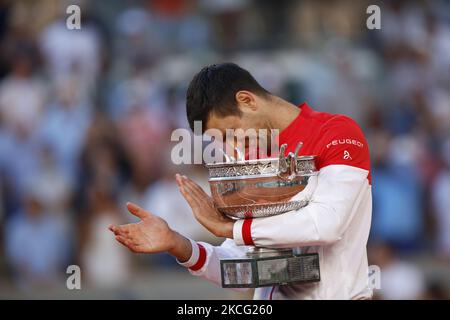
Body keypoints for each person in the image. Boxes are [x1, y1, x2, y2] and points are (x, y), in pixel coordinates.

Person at [109, 63, 373, 299]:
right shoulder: (249, 158)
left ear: (247, 100)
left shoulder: (336, 132)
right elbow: (243, 269)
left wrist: (230, 229)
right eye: (222, 140)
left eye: (231, 131)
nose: (233, 145)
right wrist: (179, 245)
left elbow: (327, 225)